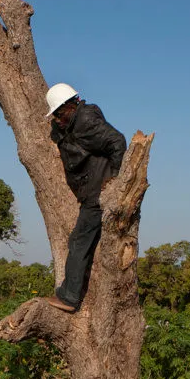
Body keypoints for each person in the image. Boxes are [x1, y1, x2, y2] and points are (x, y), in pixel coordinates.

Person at [44, 83, 126, 313]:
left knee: (79, 242)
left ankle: (69, 297)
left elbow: (117, 142)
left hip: (97, 196)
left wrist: (116, 183)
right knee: (81, 242)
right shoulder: (76, 120)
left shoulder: (85, 122)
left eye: (59, 114)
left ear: (70, 106)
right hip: (92, 193)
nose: (57, 119)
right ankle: (69, 293)